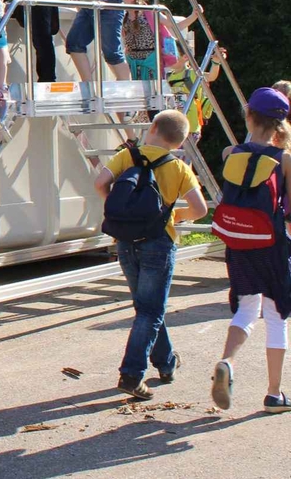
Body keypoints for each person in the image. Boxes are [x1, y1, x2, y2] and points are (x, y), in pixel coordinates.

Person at [93, 110, 209, 399]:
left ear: (153, 126)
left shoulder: (127, 156)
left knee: (146, 307)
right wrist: (175, 216)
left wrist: (123, 211)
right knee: (150, 310)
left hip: (126, 239)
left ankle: (166, 362)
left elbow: (99, 183)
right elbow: (200, 209)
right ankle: (131, 374)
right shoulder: (180, 167)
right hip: (159, 241)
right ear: (179, 141)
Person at [210, 88, 291, 414]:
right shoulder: (284, 159)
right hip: (272, 246)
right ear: (281, 123)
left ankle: (227, 361)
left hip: (239, 245)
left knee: (246, 309)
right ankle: (274, 394)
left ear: (248, 116)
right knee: (276, 317)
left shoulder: (231, 153)